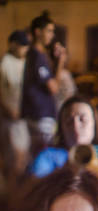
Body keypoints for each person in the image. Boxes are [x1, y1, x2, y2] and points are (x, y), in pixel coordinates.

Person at [22, 11, 66, 154]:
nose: (52, 35)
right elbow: (53, 87)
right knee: (43, 156)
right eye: (49, 31)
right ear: (38, 32)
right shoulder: (36, 56)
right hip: (41, 117)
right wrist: (61, 63)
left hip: (36, 116)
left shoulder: (37, 55)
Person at [0, 30, 30, 185]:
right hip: (10, 119)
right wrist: (8, 110)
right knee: (13, 160)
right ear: (13, 45)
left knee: (22, 158)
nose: (25, 49)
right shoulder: (4, 64)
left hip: (23, 118)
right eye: (22, 46)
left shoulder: (25, 62)